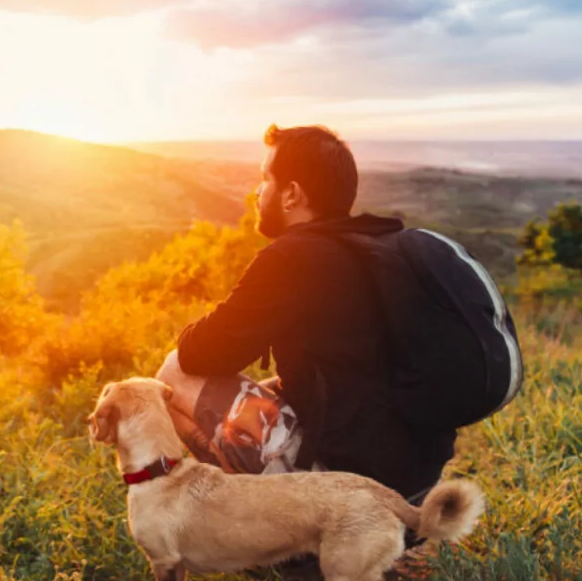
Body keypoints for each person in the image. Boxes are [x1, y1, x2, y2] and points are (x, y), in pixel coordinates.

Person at [156, 124, 456, 504]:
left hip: (350, 499)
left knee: (172, 376)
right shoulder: (377, 246)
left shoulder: (292, 257)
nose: (257, 191)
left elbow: (197, 355)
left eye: (265, 179)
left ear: (292, 194)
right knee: (267, 391)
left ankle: (268, 533)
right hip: (415, 492)